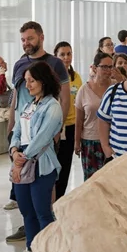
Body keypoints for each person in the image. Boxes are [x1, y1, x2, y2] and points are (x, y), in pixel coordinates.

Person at [3, 22, 71, 241]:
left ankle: (48, 247)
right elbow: (16, 101)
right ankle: (32, 245)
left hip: (42, 142)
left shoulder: (54, 64)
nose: (26, 43)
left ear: (41, 37)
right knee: (27, 207)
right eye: (23, 39)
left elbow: (65, 98)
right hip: (23, 133)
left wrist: (56, 130)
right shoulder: (19, 65)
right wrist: (13, 139)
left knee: (43, 203)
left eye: (30, 38)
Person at [7, 61, 64, 252]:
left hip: (42, 165)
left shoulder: (53, 106)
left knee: (42, 211)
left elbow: (43, 137)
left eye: (32, 81)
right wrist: (14, 151)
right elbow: (17, 132)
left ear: (43, 81)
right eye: (27, 81)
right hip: (22, 162)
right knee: (26, 210)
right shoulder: (28, 105)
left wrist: (22, 159)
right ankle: (31, 249)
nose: (28, 85)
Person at [76, 51, 116, 180]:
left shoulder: (117, 87)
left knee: (111, 180)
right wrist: (77, 142)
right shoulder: (84, 89)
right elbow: (79, 119)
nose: (108, 70)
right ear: (94, 68)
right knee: (91, 181)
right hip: (89, 141)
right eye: (104, 67)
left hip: (112, 141)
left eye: (110, 67)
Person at [53, 42, 81, 200]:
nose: (66, 57)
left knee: (65, 167)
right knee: (52, 169)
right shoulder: (52, 77)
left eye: (69, 54)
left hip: (70, 127)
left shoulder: (76, 77)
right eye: (62, 54)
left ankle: (58, 202)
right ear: (56, 57)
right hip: (55, 127)